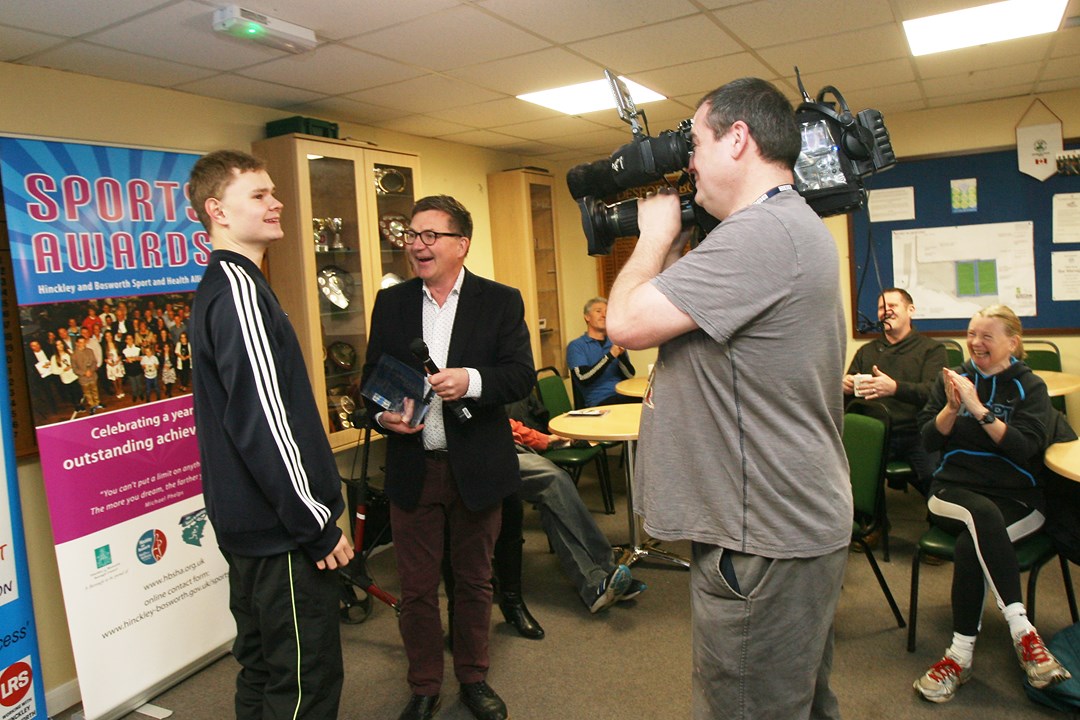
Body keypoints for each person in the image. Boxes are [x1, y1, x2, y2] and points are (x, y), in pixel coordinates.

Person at [606, 78, 851, 719]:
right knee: (794, 702)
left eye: (697, 142)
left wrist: (653, 235)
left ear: (738, 139)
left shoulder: (761, 234)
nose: (687, 163)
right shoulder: (785, 226)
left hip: (763, 537)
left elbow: (625, 323)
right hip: (785, 523)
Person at [188, 149, 353, 720]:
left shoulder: (230, 285)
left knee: (262, 668)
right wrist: (315, 522)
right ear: (218, 211)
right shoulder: (237, 291)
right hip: (281, 531)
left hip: (252, 525)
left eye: (272, 191)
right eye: (258, 195)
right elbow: (263, 422)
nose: (276, 202)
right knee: (303, 680)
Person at [361, 194, 533, 720]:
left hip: (477, 470)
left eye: (430, 235)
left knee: (474, 582)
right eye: (412, 235)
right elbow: (370, 381)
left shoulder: (500, 301)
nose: (418, 245)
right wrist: (380, 415)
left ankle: (474, 679)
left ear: (462, 244)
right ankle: (424, 686)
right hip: (415, 469)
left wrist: (471, 381)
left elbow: (520, 375)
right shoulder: (391, 303)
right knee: (415, 589)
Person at [912, 305, 1069, 703]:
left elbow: (1024, 447)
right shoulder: (953, 379)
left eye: (986, 336)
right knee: (980, 516)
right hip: (954, 492)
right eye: (971, 334)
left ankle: (958, 657)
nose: (975, 343)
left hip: (1017, 496)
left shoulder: (1029, 387)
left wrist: (978, 409)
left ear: (1012, 342)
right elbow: (929, 441)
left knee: (972, 544)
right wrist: (951, 406)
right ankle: (1025, 634)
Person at [508, 416, 643, 612]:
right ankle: (600, 576)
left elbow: (506, 424)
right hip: (489, 456)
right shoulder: (462, 390)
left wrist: (544, 440)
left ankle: (602, 577)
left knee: (554, 501)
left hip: (513, 448)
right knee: (554, 481)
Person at [843, 288, 947, 495]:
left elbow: (934, 393)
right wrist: (845, 387)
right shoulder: (867, 351)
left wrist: (895, 388)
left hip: (917, 432)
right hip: (876, 432)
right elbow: (851, 398)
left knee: (934, 479)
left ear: (910, 310)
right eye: (882, 307)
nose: (886, 311)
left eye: (893, 306)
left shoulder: (932, 350)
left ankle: (939, 522)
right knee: (855, 479)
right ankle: (873, 525)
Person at [566, 297, 636, 407]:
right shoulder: (576, 346)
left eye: (607, 312)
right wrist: (610, 356)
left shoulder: (615, 342)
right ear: (587, 317)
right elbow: (583, 378)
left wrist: (621, 356)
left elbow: (630, 375)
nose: (604, 315)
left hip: (622, 395)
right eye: (598, 311)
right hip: (599, 402)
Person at [71, 336, 103, 414]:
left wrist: (91, 370)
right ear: (77, 343)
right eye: (80, 342)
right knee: (87, 393)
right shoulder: (74, 356)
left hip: (92, 375)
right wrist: (84, 373)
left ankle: (97, 403)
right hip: (83, 378)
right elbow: (75, 369)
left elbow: (94, 362)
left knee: (95, 390)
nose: (83, 344)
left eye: (84, 342)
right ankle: (92, 406)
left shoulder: (90, 351)